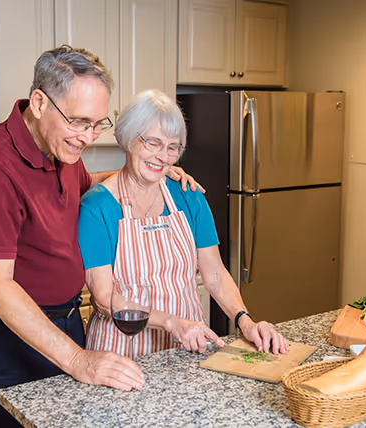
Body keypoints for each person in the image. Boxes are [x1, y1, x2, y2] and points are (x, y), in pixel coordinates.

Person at [0, 46, 200, 427]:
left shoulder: (61, 150)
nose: (88, 137)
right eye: (79, 122)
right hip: (8, 336)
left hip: (67, 323)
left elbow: (89, 185)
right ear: (39, 102)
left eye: (98, 124)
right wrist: (78, 360)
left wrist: (151, 170)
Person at [78, 90, 290, 358]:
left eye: (172, 147)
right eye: (153, 143)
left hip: (186, 350)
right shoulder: (97, 207)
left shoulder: (188, 195)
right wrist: (171, 323)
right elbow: (104, 298)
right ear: (128, 140)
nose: (163, 157)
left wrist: (245, 321)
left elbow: (215, 275)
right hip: (120, 354)